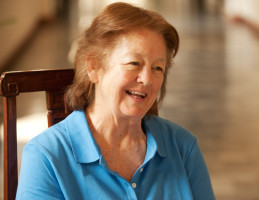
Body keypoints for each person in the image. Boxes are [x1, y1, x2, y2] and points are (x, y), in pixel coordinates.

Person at [16, 2, 215, 200]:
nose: (147, 79)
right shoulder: (46, 156)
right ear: (94, 67)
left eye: (158, 68)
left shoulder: (182, 146)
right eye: (134, 63)